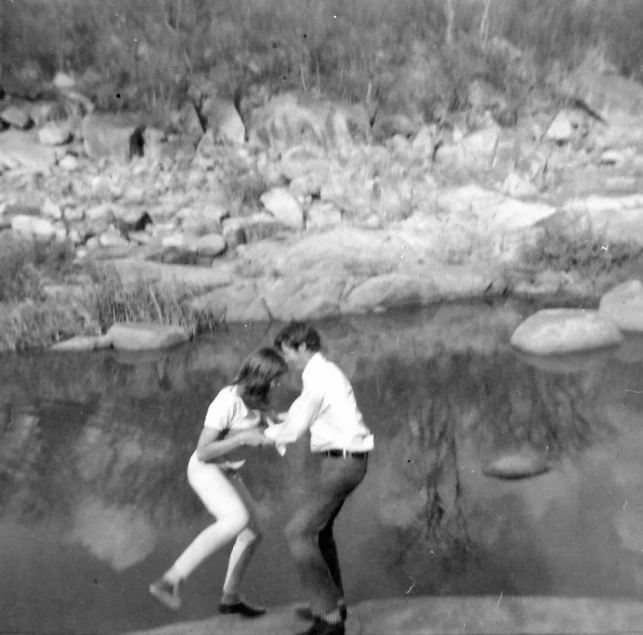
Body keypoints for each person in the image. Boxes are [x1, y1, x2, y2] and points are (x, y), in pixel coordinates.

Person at [149, 347, 287, 616]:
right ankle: (168, 582)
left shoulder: (256, 397)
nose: (278, 383)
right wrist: (240, 439)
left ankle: (230, 599)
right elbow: (203, 451)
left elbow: (272, 421)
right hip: (205, 469)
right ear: (261, 375)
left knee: (253, 532)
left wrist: (307, 415)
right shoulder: (227, 401)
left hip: (227, 470)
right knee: (235, 520)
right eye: (275, 378)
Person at [264, 321, 374, 635]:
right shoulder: (320, 374)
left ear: (302, 347)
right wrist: (274, 419)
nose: (286, 359)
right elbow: (302, 414)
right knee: (320, 532)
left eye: (287, 352)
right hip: (340, 462)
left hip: (344, 465)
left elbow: (295, 428)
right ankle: (334, 604)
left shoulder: (319, 378)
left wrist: (256, 434)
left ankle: (328, 618)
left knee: (297, 532)